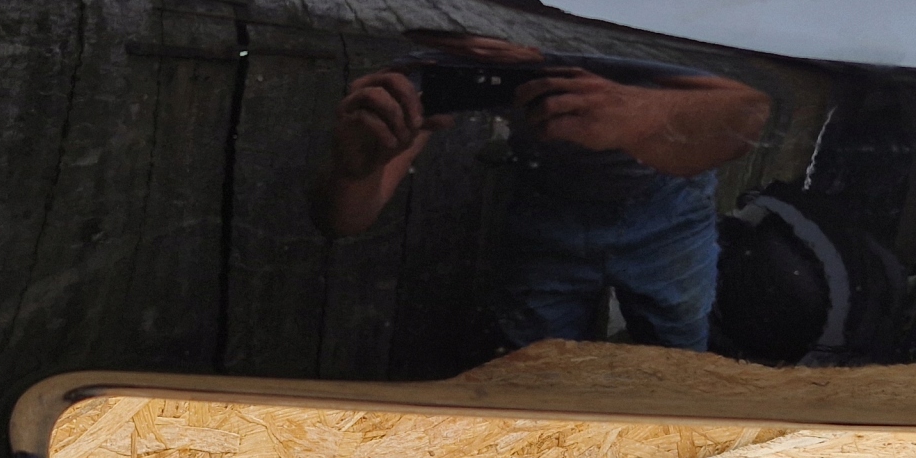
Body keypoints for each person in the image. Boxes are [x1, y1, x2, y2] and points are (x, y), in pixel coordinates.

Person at [311, 34, 769, 352]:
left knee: (678, 361)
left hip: (667, 211)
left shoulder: (655, 14)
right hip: (551, 210)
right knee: (541, 375)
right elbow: (344, 218)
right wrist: (354, 168)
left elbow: (749, 112)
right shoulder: (457, 51)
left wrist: (646, 113)